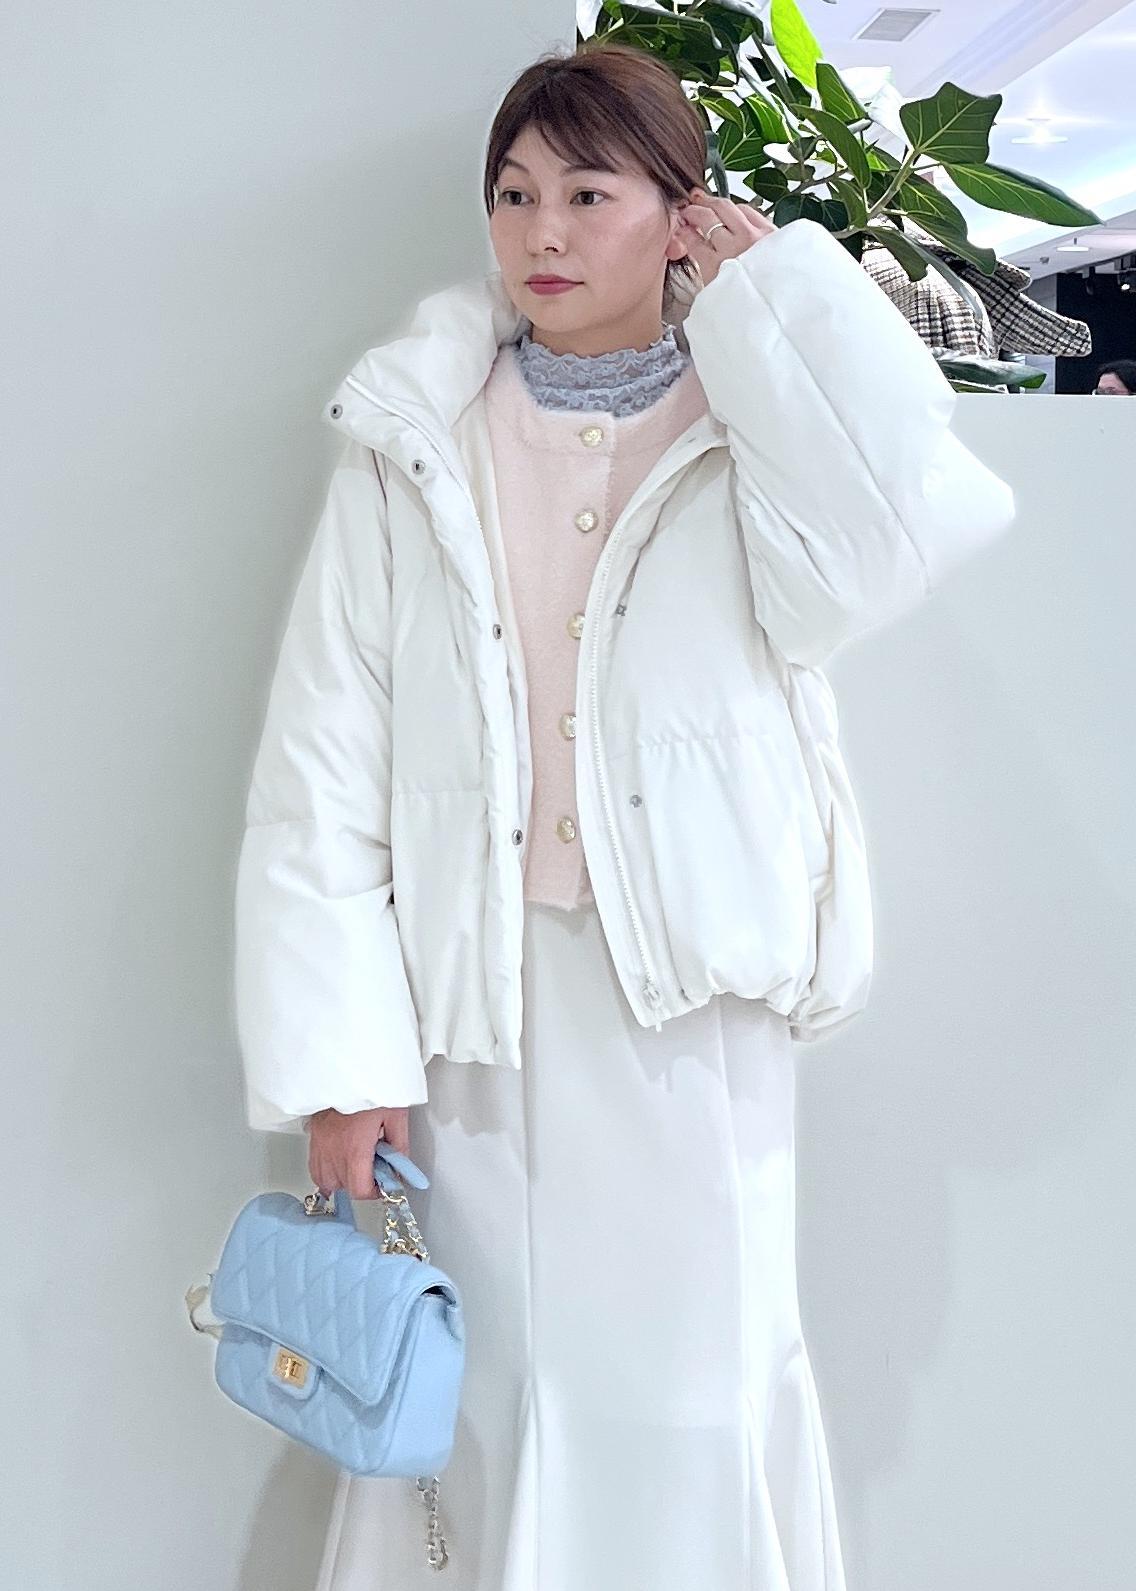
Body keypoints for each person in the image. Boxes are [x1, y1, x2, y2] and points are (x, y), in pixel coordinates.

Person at [232, 39, 1016, 1591]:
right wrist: (340, 1064)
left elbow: (896, 538)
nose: (542, 231)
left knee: (696, 1392)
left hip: (691, 1013)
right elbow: (322, 770)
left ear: (680, 213)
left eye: (589, 194)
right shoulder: (412, 442)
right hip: (474, 1013)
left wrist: (778, 300)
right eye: (514, 194)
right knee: (487, 1400)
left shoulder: (755, 430)